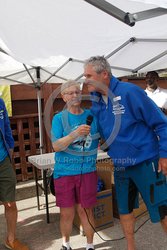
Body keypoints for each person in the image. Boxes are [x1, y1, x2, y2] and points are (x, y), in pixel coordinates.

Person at [83, 56, 167, 250]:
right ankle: (131, 247)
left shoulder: (130, 92)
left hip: (146, 162)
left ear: (104, 74)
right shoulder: (96, 101)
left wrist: (164, 154)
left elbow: (162, 124)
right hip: (121, 165)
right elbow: (101, 132)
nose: (85, 79)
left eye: (89, 75)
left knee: (162, 210)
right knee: (124, 210)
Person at [51, 80, 99, 250]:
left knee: (86, 211)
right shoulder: (59, 119)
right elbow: (56, 146)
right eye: (70, 93)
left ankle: (90, 245)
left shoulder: (92, 116)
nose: (74, 96)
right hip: (64, 172)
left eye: (77, 92)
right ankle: (66, 244)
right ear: (63, 97)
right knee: (66, 213)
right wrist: (74, 134)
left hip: (87, 171)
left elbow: (103, 139)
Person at [0, 98, 29, 250]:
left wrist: (10, 148)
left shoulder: (0, 102)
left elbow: (5, 127)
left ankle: (11, 239)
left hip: (3, 159)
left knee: (10, 202)